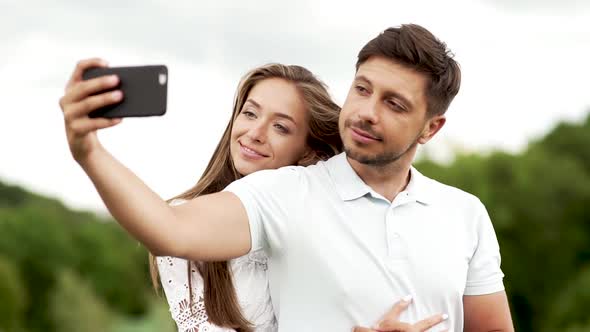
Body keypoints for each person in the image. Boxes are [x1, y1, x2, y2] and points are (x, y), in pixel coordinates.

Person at [59, 23, 513, 331]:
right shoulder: (283, 193)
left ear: (431, 127)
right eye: (362, 89)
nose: (366, 112)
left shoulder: (465, 213)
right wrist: (88, 151)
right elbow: (170, 230)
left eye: (394, 104)